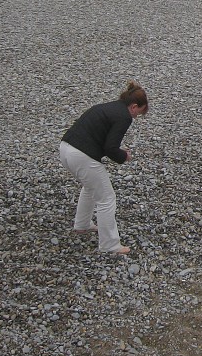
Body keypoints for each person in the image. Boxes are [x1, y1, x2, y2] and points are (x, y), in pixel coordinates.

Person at [59, 81, 149, 255]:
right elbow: (110, 148)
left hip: (65, 148)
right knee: (107, 198)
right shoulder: (124, 116)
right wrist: (124, 156)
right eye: (139, 113)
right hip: (81, 155)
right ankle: (110, 245)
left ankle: (82, 224)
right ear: (134, 106)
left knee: (91, 187)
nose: (137, 117)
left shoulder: (109, 107)